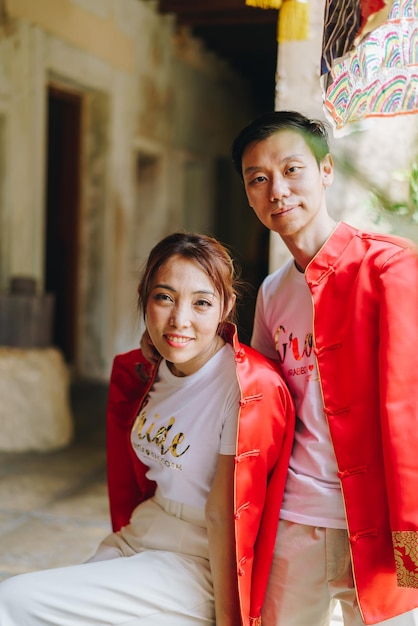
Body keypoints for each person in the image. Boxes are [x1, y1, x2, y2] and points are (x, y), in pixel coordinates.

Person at [0, 231, 294, 626]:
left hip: (197, 557)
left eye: (201, 303)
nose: (179, 319)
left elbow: (225, 518)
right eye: (164, 298)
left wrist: (232, 621)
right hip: (141, 532)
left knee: (14, 601)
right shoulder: (150, 371)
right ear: (145, 297)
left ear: (226, 307)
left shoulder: (245, 388)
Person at [230, 110, 418, 626]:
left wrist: (414, 544)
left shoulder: (390, 269)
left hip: (379, 522)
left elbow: (410, 413)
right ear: (248, 194)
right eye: (259, 179)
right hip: (295, 518)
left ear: (326, 171)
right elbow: (266, 406)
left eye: (292, 170)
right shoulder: (271, 292)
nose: (277, 191)